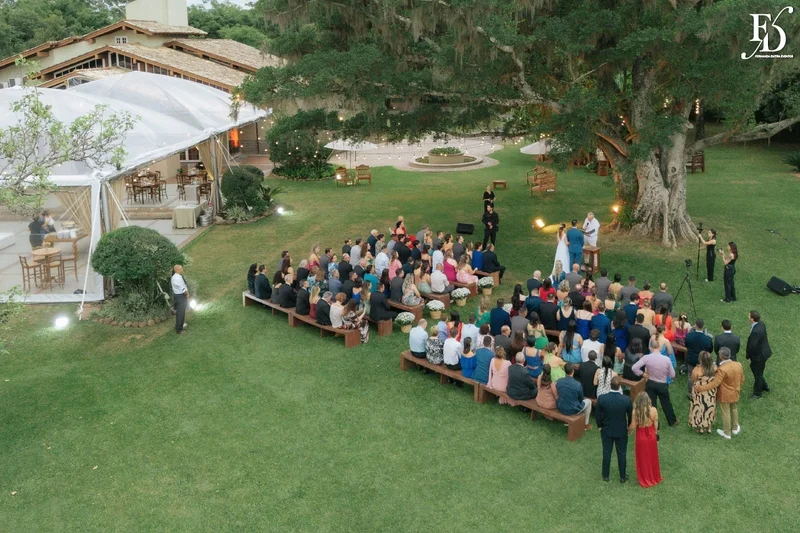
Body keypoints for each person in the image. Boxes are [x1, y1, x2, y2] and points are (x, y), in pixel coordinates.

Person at [694, 347, 744, 440]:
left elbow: (715, 383)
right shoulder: (738, 364)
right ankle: (735, 428)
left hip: (725, 395)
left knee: (726, 412)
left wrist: (701, 388)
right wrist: (738, 387)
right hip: (735, 392)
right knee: (734, 409)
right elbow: (742, 379)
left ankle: (727, 433)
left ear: (721, 356)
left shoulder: (722, 369)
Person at [632, 338, 678, 427]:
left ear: (650, 347)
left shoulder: (646, 358)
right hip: (662, 384)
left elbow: (634, 368)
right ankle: (672, 421)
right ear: (659, 347)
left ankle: (653, 422)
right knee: (666, 403)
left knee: (652, 404)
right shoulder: (666, 359)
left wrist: (643, 374)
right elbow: (672, 375)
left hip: (650, 383)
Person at [597, 376, 631, 483]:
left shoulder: (602, 398)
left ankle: (605, 475)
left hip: (606, 430)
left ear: (610, 385)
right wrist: (628, 426)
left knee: (606, 452)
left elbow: (598, 414)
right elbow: (630, 416)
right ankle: (622, 476)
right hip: (621, 431)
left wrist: (599, 426)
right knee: (622, 453)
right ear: (620, 386)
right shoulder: (626, 400)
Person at [629, 392, 662, 488]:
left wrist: (628, 431)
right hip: (651, 435)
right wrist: (655, 434)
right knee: (652, 456)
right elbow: (656, 424)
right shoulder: (654, 410)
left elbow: (633, 425)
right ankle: (654, 476)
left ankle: (645, 477)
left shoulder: (636, 412)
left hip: (641, 436)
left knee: (642, 458)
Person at [557, 363, 592, 430]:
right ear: (573, 371)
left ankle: (566, 422)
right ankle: (586, 424)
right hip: (572, 409)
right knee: (589, 401)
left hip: (561, 407)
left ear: (564, 371)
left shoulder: (559, 381)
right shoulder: (577, 384)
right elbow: (581, 399)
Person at [688, 351, 717, 433]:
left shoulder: (697, 370)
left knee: (699, 408)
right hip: (711, 391)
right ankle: (709, 427)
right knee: (710, 408)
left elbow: (693, 379)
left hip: (699, 392)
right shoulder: (715, 368)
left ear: (700, 360)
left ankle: (700, 428)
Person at [746, 310, 771, 399]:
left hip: (759, 355)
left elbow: (752, 346)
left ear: (752, 319)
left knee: (757, 373)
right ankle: (765, 386)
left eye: (749, 315)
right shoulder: (761, 324)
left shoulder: (755, 331)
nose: (748, 316)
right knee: (758, 372)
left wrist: (748, 355)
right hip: (764, 352)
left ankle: (757, 393)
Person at [685, 319, 713, 397]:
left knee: (691, 376)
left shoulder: (689, 336)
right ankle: (702, 390)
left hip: (691, 359)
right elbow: (710, 350)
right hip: (702, 360)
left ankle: (690, 392)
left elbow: (686, 345)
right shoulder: (707, 339)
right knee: (703, 375)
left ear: (695, 325)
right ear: (703, 326)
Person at [171, 265, 189, 334]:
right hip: (180, 296)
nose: (182, 270)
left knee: (182, 311)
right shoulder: (176, 278)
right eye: (181, 269)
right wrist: (187, 294)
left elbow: (183, 285)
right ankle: (179, 330)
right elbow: (182, 288)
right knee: (180, 313)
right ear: (177, 270)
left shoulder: (178, 276)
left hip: (180, 296)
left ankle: (181, 324)